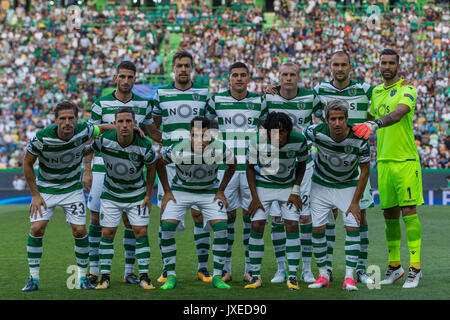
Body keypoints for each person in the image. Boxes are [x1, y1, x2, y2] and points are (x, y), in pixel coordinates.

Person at [22, 101, 113, 292]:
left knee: (80, 231)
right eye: (62, 118)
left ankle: (82, 278)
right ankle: (33, 279)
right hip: (46, 189)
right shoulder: (41, 138)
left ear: (76, 119)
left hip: (72, 189)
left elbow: (104, 128)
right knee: (37, 228)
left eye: (71, 118)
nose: (67, 122)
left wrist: (131, 129)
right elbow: (27, 164)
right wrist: (35, 195)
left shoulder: (84, 130)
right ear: (55, 120)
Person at [83, 60, 160, 286]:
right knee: (97, 219)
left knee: (131, 222)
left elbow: (149, 132)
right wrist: (87, 169)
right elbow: (91, 135)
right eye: (122, 76)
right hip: (101, 169)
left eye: (130, 77)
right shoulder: (100, 104)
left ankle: (129, 271)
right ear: (115, 77)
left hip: (131, 169)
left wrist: (177, 140)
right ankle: (94, 270)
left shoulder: (144, 105)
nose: (126, 81)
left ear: (135, 79)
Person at [353, 49, 423, 288]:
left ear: (398, 65)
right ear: (379, 64)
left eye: (391, 63)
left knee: (409, 212)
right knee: (389, 216)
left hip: (405, 161)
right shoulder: (376, 91)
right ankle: (395, 267)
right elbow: (367, 114)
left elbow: (398, 113)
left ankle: (415, 267)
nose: (386, 66)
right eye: (383, 62)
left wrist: (376, 122)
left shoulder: (408, 89)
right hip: (382, 161)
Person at [313, 51, 375, 284]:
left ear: (351, 66)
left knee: (360, 215)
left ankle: (360, 268)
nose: (340, 69)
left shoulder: (364, 89)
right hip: (329, 162)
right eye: (336, 65)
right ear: (330, 66)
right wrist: (276, 89)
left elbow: (384, 95)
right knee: (327, 217)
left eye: (344, 65)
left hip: (355, 162)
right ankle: (326, 269)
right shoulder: (319, 90)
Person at [152, 51, 213, 284]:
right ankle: (167, 269)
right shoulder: (161, 94)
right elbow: (151, 123)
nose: (183, 69)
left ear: (192, 68)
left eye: (187, 65)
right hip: (170, 163)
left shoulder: (203, 94)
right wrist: (163, 141)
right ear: (173, 68)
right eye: (180, 66)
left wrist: (203, 143)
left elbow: (212, 123)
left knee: (199, 214)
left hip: (197, 163)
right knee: (166, 216)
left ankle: (203, 268)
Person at [158, 116, 237, 290]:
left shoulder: (220, 148)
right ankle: (170, 275)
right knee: (167, 226)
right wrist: (167, 191)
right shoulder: (178, 149)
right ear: (189, 134)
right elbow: (159, 163)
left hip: (209, 192)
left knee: (222, 227)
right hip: (181, 191)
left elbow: (232, 164)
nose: (199, 140)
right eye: (195, 135)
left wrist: (221, 190)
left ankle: (217, 276)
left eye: (203, 136)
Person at [205, 62, 267, 283]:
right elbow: (206, 129)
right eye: (235, 75)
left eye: (243, 75)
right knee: (226, 220)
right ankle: (225, 268)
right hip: (226, 170)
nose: (239, 79)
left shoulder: (260, 101)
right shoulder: (216, 100)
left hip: (251, 170)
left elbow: (267, 129)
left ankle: (250, 269)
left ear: (248, 78)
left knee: (252, 219)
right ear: (228, 79)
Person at [264, 62, 320, 284]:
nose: (288, 78)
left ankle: (306, 269)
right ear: (279, 77)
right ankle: (281, 269)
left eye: (292, 75)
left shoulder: (311, 97)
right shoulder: (268, 98)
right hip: (274, 166)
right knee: (277, 219)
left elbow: (327, 116)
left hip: (301, 165)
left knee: (304, 218)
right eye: (284, 75)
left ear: (299, 77)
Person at [306, 100, 370, 291]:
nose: (337, 123)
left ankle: (349, 277)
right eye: (333, 119)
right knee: (317, 229)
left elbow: (365, 170)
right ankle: (323, 274)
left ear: (347, 119)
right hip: (321, 185)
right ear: (326, 120)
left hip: (347, 185)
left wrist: (356, 201)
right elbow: (298, 139)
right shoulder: (315, 131)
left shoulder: (359, 138)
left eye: (341, 118)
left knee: (352, 226)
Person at [245, 112, 308, 290]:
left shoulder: (299, 140)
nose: (278, 136)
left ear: (288, 131)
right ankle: (255, 276)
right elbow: (249, 168)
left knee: (292, 225)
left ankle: (293, 276)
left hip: (288, 186)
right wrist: (255, 197)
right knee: (257, 225)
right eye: (274, 132)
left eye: (282, 132)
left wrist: (295, 190)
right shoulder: (256, 140)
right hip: (264, 186)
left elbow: (302, 164)